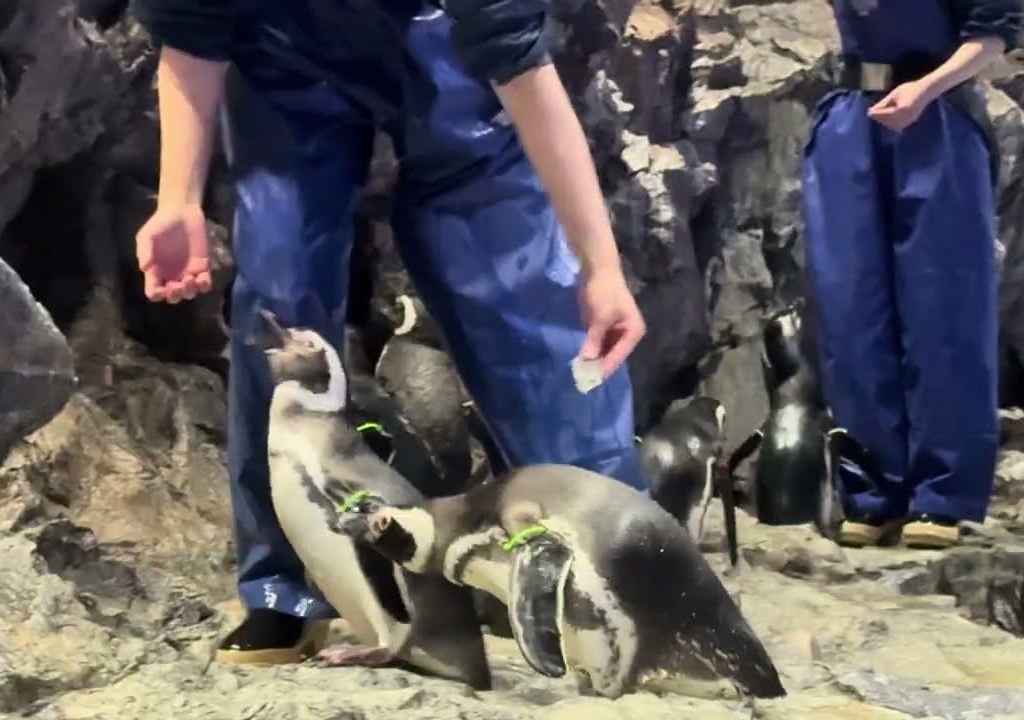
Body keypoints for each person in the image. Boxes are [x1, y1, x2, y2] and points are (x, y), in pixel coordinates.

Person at [129, 0, 649, 664]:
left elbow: (519, 62)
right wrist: (178, 201)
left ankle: (620, 567)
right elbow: (191, 32)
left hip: (449, 48)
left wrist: (600, 265)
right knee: (280, 296)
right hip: (284, 50)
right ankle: (287, 589)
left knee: (521, 288)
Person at [800, 0, 1023, 550]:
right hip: (853, 117)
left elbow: (993, 34)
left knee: (943, 308)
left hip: (937, 114)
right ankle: (871, 489)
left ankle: (943, 494)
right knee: (849, 306)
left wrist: (927, 89)